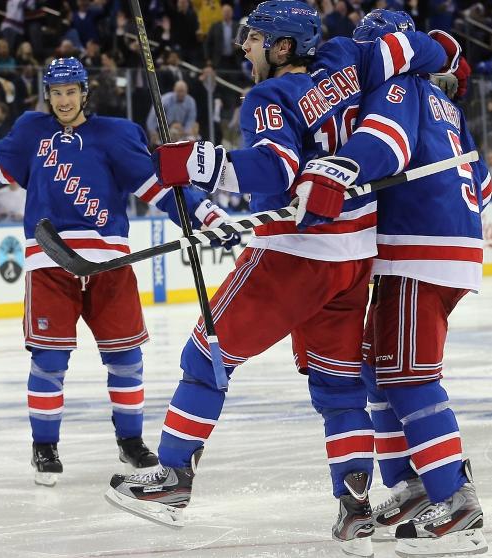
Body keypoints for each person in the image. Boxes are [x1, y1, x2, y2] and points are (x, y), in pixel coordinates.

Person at [104, 4, 461, 556]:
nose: (243, 49)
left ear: (283, 47)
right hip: (355, 255)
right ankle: (355, 511)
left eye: (253, 40)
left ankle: (172, 478)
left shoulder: (268, 98)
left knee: (207, 354)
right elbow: (422, 49)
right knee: (337, 384)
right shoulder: (350, 56)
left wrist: (201, 163)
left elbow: (275, 170)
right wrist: (445, 51)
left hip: (297, 253)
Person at [0, 57, 234, 487]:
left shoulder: (116, 134)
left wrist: (205, 213)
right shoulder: (30, 131)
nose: (63, 100)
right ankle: (45, 445)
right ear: (47, 94)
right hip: (50, 261)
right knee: (49, 359)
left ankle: (130, 440)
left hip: (110, 261)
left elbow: (159, 188)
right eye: (56, 92)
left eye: (70, 91)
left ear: (84, 92)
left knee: (126, 359)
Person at [307, 13, 492, 556]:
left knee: (407, 376)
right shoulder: (446, 104)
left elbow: (384, 144)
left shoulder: (397, 86)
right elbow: (479, 183)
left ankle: (454, 499)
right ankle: (411, 485)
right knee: (375, 369)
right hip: (436, 247)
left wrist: (335, 172)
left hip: (416, 250)